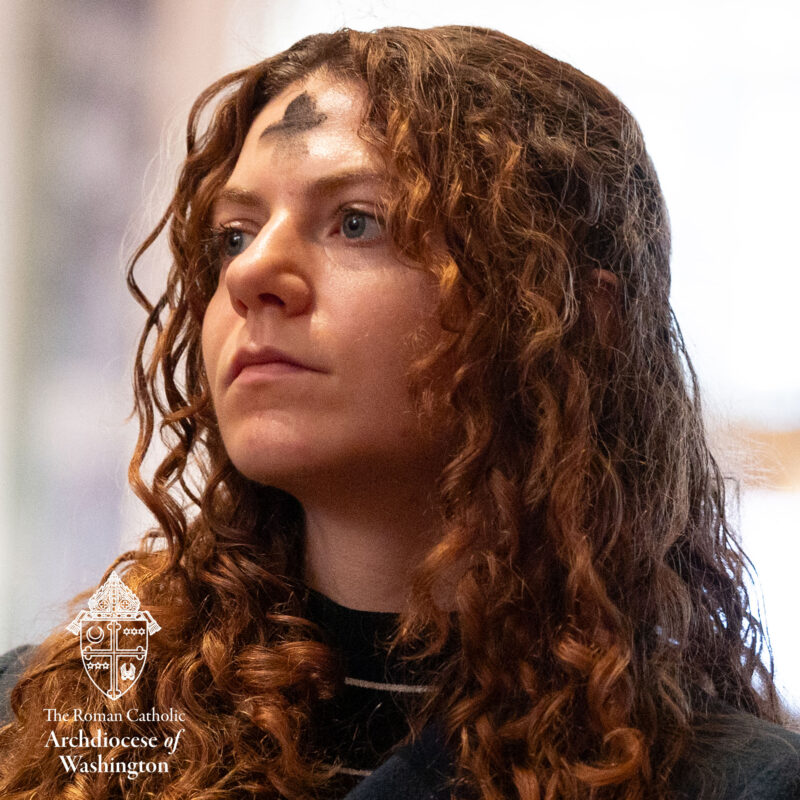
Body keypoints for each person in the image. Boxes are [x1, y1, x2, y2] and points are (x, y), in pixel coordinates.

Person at [0, 24, 798, 800]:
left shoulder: (730, 784)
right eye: (234, 235)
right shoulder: (49, 722)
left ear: (574, 319)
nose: (252, 275)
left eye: (357, 222)